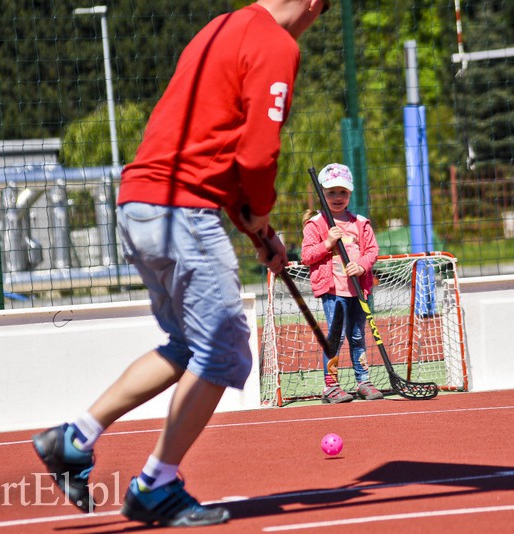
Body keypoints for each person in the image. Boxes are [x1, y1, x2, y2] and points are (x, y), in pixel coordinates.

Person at [31, 0, 330, 527]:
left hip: (140, 204)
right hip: (181, 210)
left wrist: (258, 229)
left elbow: (217, 149)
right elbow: (257, 156)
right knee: (224, 352)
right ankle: (156, 485)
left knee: (188, 346)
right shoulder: (276, 43)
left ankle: (75, 437)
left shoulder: (219, 29)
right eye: (323, 11)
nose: (315, 20)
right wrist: (258, 214)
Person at [300, 163, 382, 404]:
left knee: (357, 336)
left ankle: (363, 380)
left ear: (350, 193)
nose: (337, 197)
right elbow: (306, 256)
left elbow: (372, 250)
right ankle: (331, 385)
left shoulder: (360, 223)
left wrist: (362, 266)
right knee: (335, 338)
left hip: (357, 290)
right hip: (333, 292)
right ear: (323, 193)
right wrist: (327, 243)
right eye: (332, 192)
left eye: (343, 192)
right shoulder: (317, 224)